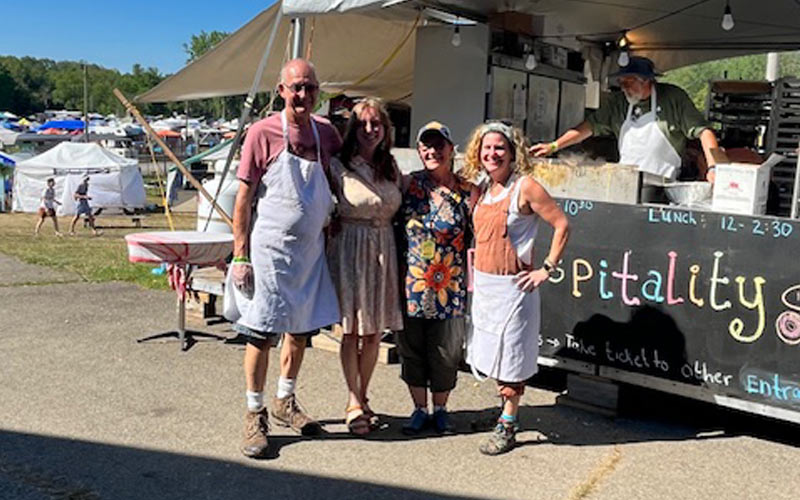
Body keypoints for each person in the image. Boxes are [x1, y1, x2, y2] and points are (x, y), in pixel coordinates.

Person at [230, 58, 342, 458]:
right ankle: (254, 412)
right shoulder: (261, 134)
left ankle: (285, 400)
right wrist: (239, 255)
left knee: (300, 329)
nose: (303, 95)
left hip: (310, 252)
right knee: (261, 331)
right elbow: (243, 200)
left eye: (310, 88)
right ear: (281, 90)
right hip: (269, 251)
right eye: (295, 87)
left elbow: (340, 178)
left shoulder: (326, 134)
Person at [463, 121, 569, 456]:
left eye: (499, 148)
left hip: (513, 289)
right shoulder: (482, 186)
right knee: (491, 355)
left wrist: (546, 269)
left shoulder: (525, 187)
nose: (492, 154)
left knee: (511, 359)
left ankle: (508, 424)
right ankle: (500, 415)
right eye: (487, 148)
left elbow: (562, 224)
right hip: (486, 286)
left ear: (513, 153)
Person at [326, 98, 403, 435]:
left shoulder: (391, 166)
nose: (369, 130)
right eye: (362, 124)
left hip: (383, 247)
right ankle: (353, 399)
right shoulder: (338, 165)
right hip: (350, 248)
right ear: (352, 129)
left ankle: (364, 394)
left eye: (376, 124)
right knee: (352, 329)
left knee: (373, 331)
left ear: (385, 129)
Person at [530, 56, 720, 186]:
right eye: (621, 83)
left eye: (628, 82)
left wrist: (713, 167)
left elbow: (704, 131)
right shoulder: (619, 104)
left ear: (646, 81)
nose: (623, 88)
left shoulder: (673, 98)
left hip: (663, 187)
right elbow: (588, 127)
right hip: (625, 183)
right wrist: (554, 146)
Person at [397, 121, 472, 435]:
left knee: (446, 351)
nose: (432, 151)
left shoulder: (467, 190)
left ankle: (441, 409)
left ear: (451, 149)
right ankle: (418, 409)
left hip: (450, 287)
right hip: (411, 285)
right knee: (411, 349)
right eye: (426, 146)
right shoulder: (408, 185)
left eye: (439, 145)